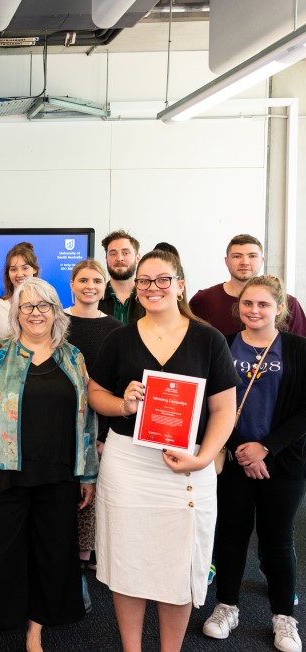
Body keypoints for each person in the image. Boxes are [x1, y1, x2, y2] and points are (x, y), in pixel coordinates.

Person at [88, 249, 238, 652]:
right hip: (129, 465)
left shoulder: (207, 338)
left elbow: (224, 408)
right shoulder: (119, 338)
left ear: (180, 285)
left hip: (188, 464)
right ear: (136, 290)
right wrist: (123, 404)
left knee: (179, 567)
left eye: (162, 280)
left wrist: (204, 457)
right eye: (144, 281)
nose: (152, 288)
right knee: (127, 564)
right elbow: (96, 393)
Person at [0, 277, 98, 652]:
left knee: (52, 553)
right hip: (6, 471)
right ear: (16, 312)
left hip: (59, 473)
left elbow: (87, 420)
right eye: (27, 306)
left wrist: (88, 473)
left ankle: (35, 629)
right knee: (1, 551)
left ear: (56, 311)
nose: (36, 313)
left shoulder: (73, 357)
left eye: (44, 306)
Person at [202, 275, 306, 652]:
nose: (254, 310)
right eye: (248, 304)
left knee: (277, 539)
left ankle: (283, 617)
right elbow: (208, 403)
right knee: (230, 534)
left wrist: (267, 447)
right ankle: (226, 606)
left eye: (263, 304)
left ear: (280, 308)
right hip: (232, 458)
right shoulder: (222, 345)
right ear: (238, 307)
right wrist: (240, 447)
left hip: (284, 461)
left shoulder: (298, 349)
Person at [64, 259, 122, 609]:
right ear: (71, 284)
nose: (90, 286)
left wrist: (106, 434)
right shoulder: (57, 323)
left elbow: (118, 385)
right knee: (58, 502)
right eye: (83, 279)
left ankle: (78, 575)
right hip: (57, 428)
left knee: (87, 505)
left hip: (99, 431)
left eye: (97, 281)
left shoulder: (117, 329)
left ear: (105, 287)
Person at [190, 234, 306, 336]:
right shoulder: (203, 300)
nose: (245, 262)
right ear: (226, 261)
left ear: (262, 260)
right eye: (237, 256)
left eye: (252, 256)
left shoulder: (287, 303)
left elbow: (300, 351)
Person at [0, 242, 39, 340]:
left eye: (25, 268)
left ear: (34, 270)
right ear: (8, 273)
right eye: (13, 269)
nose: (19, 274)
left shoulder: (47, 305)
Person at [98, 229, 144, 324]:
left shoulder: (148, 297)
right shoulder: (95, 298)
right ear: (106, 258)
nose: (119, 258)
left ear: (137, 258)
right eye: (113, 254)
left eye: (125, 253)